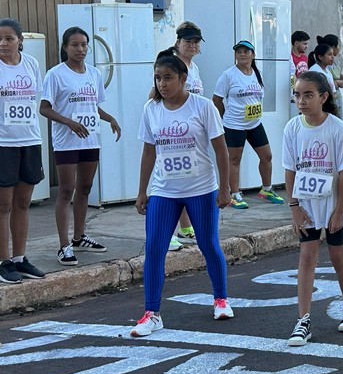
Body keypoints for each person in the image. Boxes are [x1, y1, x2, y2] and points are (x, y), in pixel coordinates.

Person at [131, 48, 232, 337]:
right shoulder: (151, 110)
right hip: (165, 190)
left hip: (201, 188)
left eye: (168, 78)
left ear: (183, 78)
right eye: (158, 78)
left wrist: (225, 188)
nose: (162, 84)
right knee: (154, 248)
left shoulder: (202, 107)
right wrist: (142, 191)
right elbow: (148, 151)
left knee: (208, 244)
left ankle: (221, 299)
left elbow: (220, 149)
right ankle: (152, 313)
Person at [284, 71, 343, 346]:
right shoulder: (292, 128)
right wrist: (294, 206)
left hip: (332, 206)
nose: (301, 101)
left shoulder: (337, 128)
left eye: (308, 95)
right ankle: (303, 319)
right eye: (297, 95)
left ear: (323, 97)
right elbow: (290, 170)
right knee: (307, 257)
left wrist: (339, 211)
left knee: (338, 256)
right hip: (306, 206)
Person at [40, 26, 121, 266]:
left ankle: (79, 237)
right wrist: (69, 122)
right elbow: (44, 108)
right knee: (66, 190)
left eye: (84, 44)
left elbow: (93, 105)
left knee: (85, 188)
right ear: (65, 47)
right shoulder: (55, 74)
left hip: (90, 138)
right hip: (66, 141)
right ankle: (64, 245)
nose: (80, 49)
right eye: (75, 45)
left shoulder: (94, 74)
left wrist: (111, 119)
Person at [212, 40, 284, 208]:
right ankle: (234, 194)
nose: (242, 54)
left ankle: (266, 189)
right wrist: (222, 120)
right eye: (239, 52)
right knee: (235, 159)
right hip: (234, 125)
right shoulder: (228, 75)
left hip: (254, 123)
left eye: (246, 51)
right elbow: (216, 99)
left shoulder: (256, 73)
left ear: (253, 55)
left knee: (267, 156)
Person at [0, 17, 46, 283]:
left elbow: (32, 100)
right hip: (3, 143)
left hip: (29, 139)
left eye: (9, 38)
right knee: (3, 204)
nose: (3, 44)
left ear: (20, 40)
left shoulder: (31, 64)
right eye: (0, 39)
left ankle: (20, 258)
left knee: (22, 202)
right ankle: (3, 261)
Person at [166, 22, 206, 250]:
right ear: (178, 42)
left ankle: (185, 228)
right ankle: (168, 232)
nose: (192, 45)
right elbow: (155, 93)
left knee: (186, 181)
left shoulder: (194, 67)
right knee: (172, 182)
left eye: (196, 42)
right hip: (174, 131)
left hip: (192, 132)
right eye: (187, 41)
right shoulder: (172, 64)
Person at [319, 34, 343, 119]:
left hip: (336, 97)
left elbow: (342, 80)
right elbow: (292, 77)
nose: (332, 58)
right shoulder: (320, 68)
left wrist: (338, 82)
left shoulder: (330, 65)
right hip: (330, 98)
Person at [290, 30, 310, 114]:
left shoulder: (305, 57)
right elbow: (291, 77)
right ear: (296, 43)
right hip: (295, 94)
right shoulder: (290, 57)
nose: (307, 46)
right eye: (304, 44)